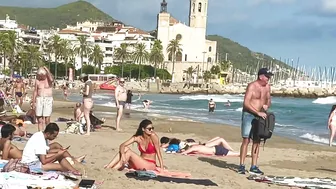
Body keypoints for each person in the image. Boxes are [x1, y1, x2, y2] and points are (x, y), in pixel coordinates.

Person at [238, 68, 272, 175]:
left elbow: (268, 99)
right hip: (249, 114)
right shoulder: (252, 86)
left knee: (257, 140)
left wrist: (267, 105)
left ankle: (253, 166)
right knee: (246, 140)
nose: (268, 79)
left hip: (260, 116)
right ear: (261, 76)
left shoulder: (267, 87)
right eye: (267, 76)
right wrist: (257, 113)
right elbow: (246, 103)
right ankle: (242, 165)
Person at [33, 66, 53, 131]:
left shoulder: (48, 80)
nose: (41, 77)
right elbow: (35, 91)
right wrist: (33, 102)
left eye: (42, 75)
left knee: (47, 118)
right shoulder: (37, 81)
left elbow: (51, 79)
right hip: (39, 99)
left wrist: (46, 69)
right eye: (40, 75)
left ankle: (47, 132)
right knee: (39, 118)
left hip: (48, 99)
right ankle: (40, 133)